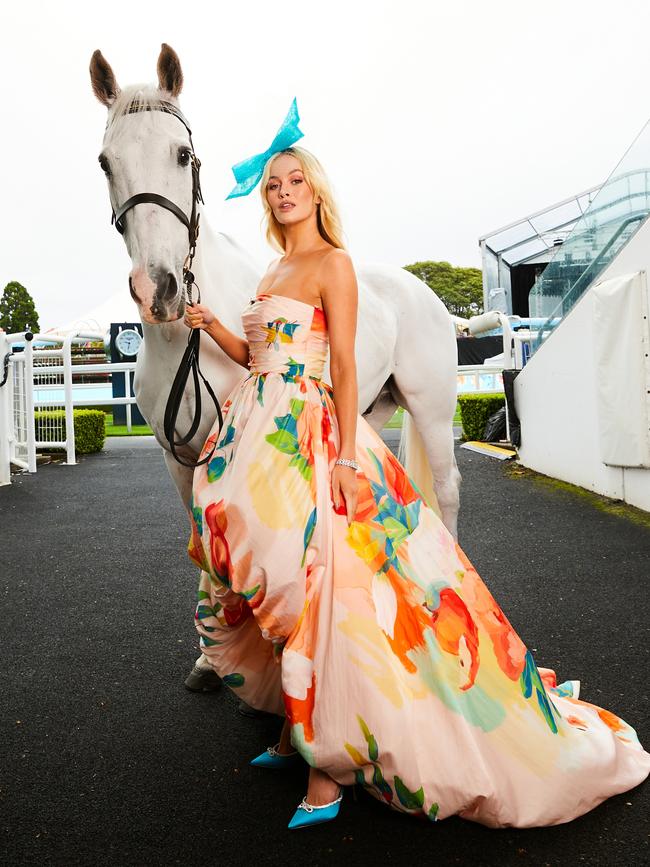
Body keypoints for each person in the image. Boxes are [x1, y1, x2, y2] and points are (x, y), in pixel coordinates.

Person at [184, 101, 650, 830]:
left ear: (316, 191)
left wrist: (341, 454)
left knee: (326, 597)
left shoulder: (334, 262)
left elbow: (339, 366)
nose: (282, 192)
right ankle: (291, 725)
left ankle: (327, 771)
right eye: (273, 184)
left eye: (293, 181)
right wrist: (216, 327)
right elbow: (262, 359)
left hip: (310, 442)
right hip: (259, 434)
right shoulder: (274, 265)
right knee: (275, 582)